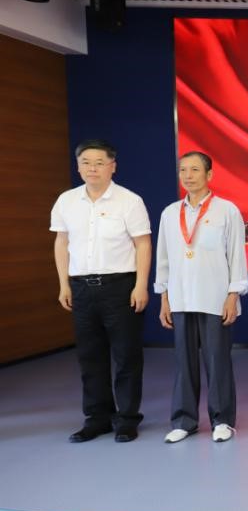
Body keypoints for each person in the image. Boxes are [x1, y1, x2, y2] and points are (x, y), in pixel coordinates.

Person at [51, 139, 152, 443]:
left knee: (126, 356)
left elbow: (143, 244)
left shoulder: (129, 201)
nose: (92, 168)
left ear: (112, 166)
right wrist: (64, 283)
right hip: (81, 287)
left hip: (120, 286)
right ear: (78, 166)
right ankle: (97, 418)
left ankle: (127, 419)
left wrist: (141, 285)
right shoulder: (67, 201)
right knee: (90, 356)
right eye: (85, 162)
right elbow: (61, 243)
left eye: (99, 163)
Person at [154, 151, 248, 443]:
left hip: (215, 297)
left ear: (209, 175)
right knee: (184, 362)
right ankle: (184, 421)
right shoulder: (170, 213)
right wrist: (164, 296)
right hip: (181, 297)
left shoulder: (226, 210)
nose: (188, 176)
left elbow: (236, 255)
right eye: (183, 170)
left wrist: (233, 295)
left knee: (217, 360)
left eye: (195, 170)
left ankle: (222, 420)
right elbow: (163, 258)